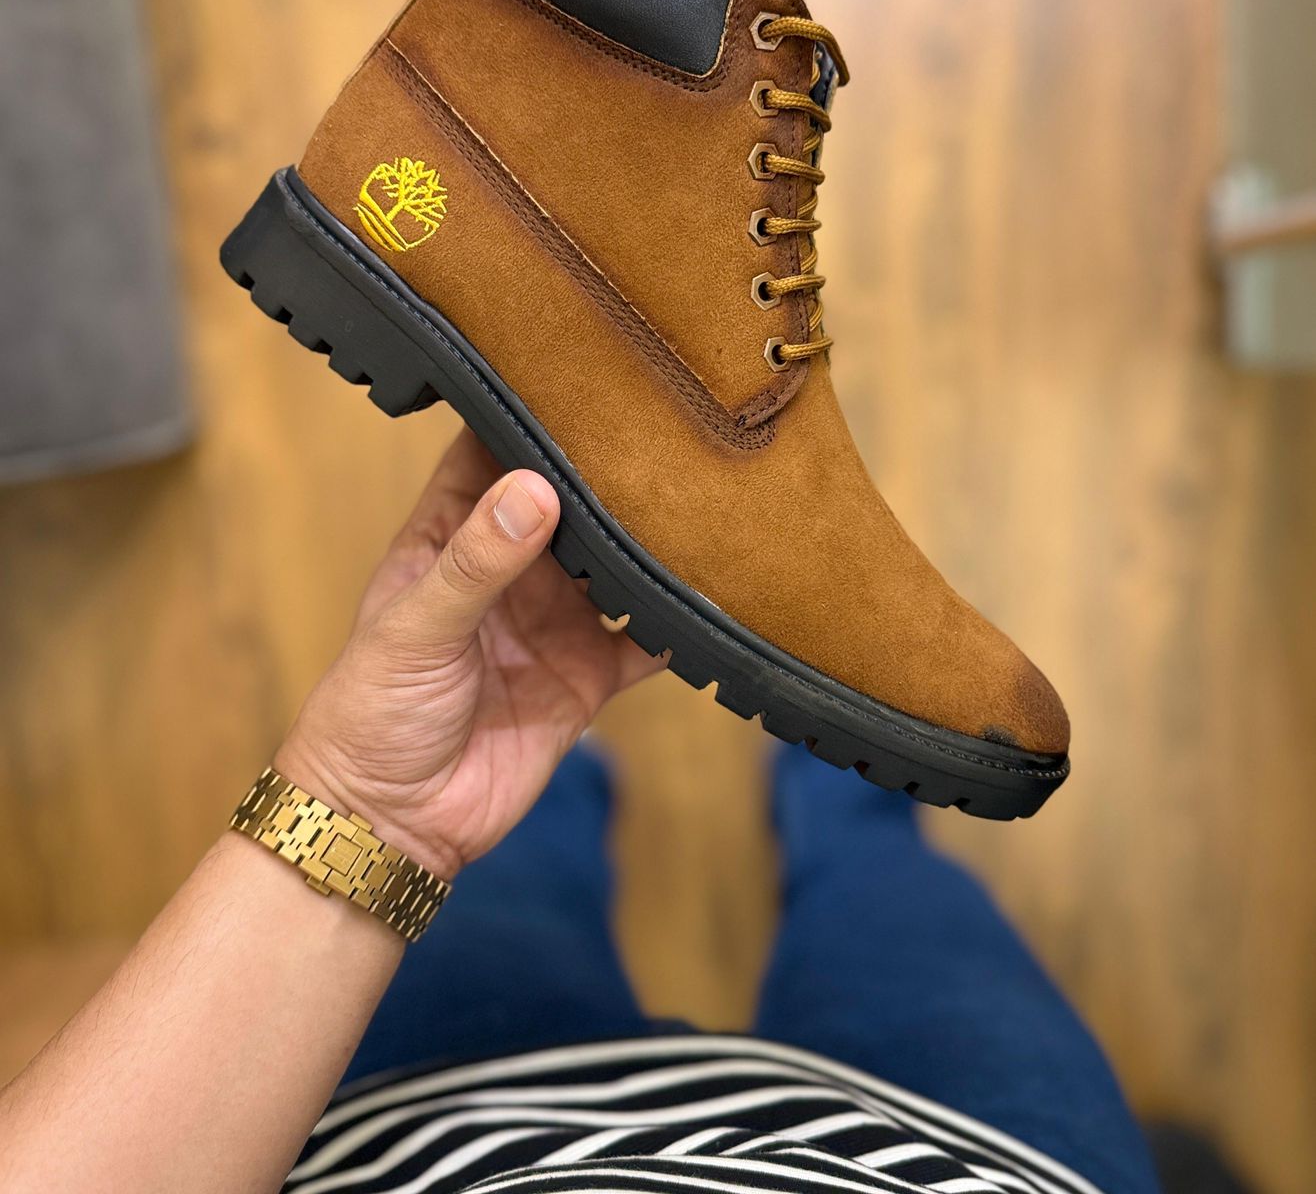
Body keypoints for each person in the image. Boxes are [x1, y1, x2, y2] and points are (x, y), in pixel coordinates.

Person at [0, 429, 1158, 1194]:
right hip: (961, 1161)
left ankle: (555, 748)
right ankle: (835, 762)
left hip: (430, 1133)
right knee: (880, 872)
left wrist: (371, 805)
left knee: (498, 854)